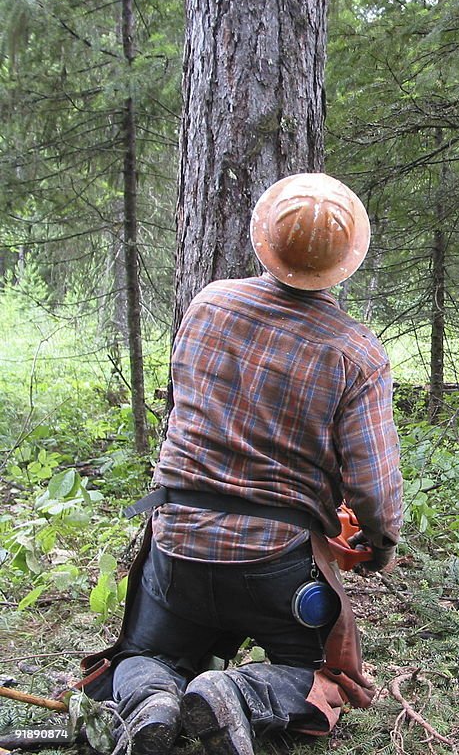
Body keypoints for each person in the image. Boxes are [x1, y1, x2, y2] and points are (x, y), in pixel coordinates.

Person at [78, 173, 404, 755]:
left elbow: (183, 406)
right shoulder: (357, 354)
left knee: (142, 655)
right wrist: (379, 545)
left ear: (266, 243)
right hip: (273, 564)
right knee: (324, 681)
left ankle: (153, 694)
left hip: (175, 539)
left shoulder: (208, 305)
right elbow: (373, 489)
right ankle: (239, 694)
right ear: (346, 261)